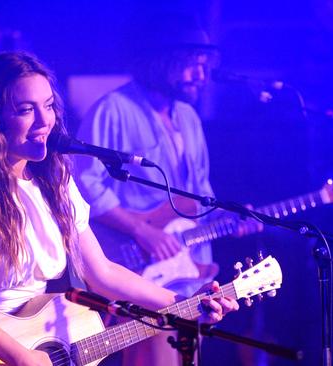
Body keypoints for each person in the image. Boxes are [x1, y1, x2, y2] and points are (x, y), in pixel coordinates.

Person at [0, 51, 237, 366]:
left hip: (34, 338)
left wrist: (182, 302)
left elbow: (102, 272)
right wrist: (19, 356)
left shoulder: (56, 182)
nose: (45, 121)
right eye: (26, 110)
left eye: (48, 106)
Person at [75, 14, 261, 366]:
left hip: (188, 271)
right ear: (161, 61)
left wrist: (229, 216)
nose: (200, 75)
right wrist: (141, 230)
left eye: (204, 65)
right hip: (135, 268)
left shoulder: (188, 117)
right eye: (191, 64)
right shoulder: (113, 109)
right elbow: (84, 185)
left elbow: (199, 195)